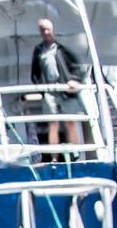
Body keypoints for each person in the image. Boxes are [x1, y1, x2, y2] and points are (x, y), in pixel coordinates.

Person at [30, 19, 86, 157]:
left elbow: (79, 68)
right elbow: (35, 73)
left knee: (70, 122)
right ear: (40, 33)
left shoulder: (62, 50)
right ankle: (54, 157)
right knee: (53, 123)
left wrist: (74, 81)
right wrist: (42, 88)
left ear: (53, 30)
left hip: (65, 90)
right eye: (43, 30)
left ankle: (76, 153)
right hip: (50, 91)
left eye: (48, 29)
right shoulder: (38, 51)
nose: (46, 32)